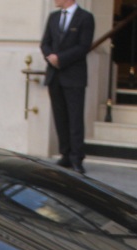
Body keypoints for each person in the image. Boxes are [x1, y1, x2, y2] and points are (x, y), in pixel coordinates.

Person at [40, 0, 95, 174]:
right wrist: (50, 56)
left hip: (74, 76)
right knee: (60, 116)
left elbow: (84, 46)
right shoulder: (53, 17)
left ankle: (77, 158)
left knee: (75, 117)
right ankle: (65, 154)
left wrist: (61, 59)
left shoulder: (85, 18)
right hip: (54, 76)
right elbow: (45, 42)